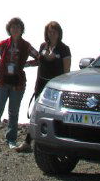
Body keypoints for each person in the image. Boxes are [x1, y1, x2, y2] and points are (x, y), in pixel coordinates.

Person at [0, 17, 39, 150]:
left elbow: (38, 58)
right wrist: (0, 62)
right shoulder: (4, 44)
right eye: (13, 27)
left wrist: (25, 65)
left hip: (17, 83)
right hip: (2, 81)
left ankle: (11, 140)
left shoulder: (26, 46)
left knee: (13, 112)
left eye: (18, 27)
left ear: (21, 30)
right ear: (9, 29)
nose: (15, 29)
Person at [15, 20, 71, 153]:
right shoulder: (42, 46)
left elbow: (66, 70)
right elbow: (39, 64)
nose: (52, 34)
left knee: (54, 114)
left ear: (59, 33)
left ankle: (55, 142)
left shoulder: (64, 49)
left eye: (54, 32)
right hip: (40, 84)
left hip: (55, 87)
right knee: (36, 112)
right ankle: (28, 142)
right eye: (49, 32)